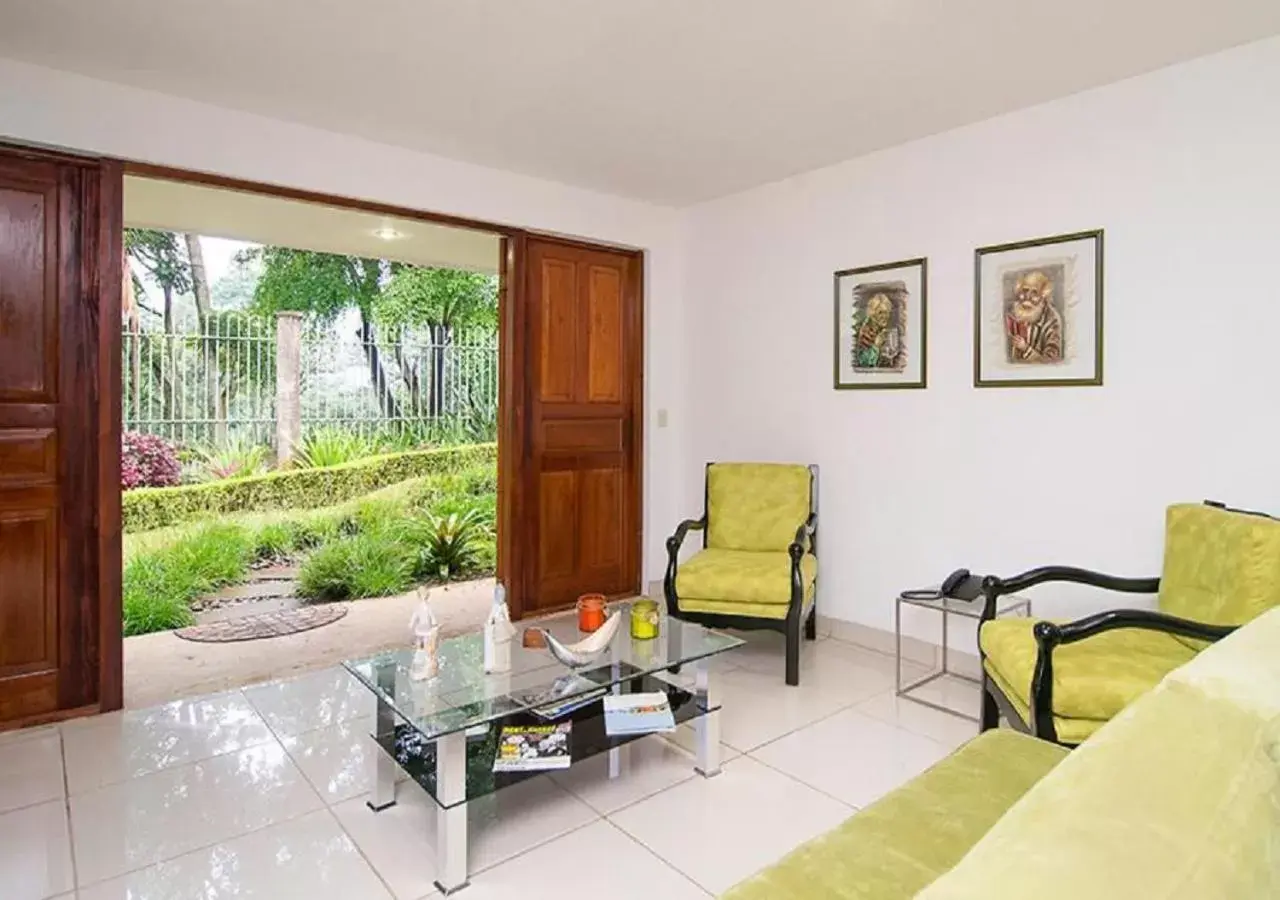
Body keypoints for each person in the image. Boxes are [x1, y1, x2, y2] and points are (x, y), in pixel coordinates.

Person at [1005, 270, 1063, 363]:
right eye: (1025, 290)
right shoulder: (1011, 311)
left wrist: (1026, 349)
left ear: (1043, 296)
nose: (1027, 296)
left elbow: (1051, 362)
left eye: (1034, 292)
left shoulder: (1052, 320)